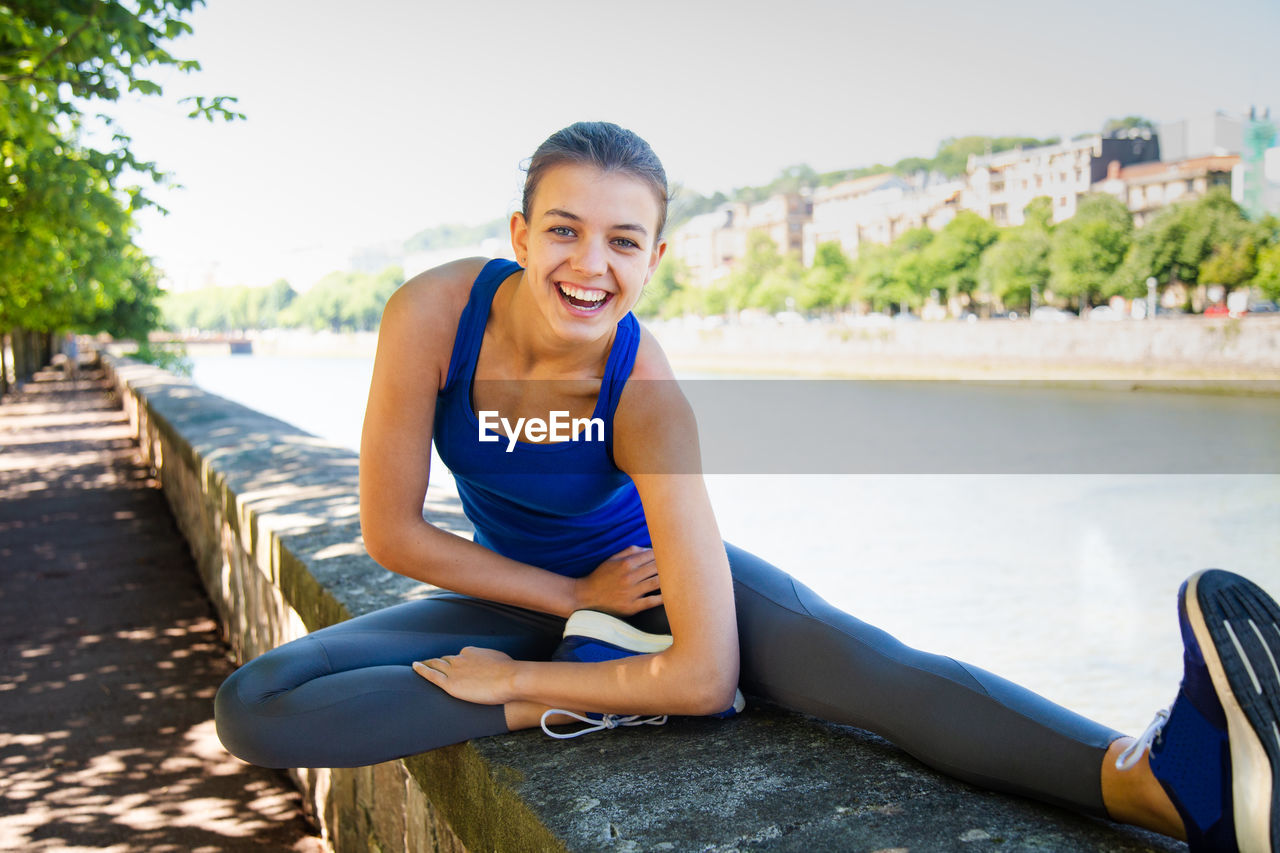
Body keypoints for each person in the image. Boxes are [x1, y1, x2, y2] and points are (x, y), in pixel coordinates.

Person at [215, 121, 1279, 853]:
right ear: (517, 235)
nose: (591, 264)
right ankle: (586, 681)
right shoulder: (431, 316)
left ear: (654, 256)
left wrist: (517, 684)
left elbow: (699, 674)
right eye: (564, 230)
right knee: (256, 706)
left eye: (622, 241)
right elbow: (392, 531)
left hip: (656, 589)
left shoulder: (645, 394)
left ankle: (1164, 781)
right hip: (537, 591)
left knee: (873, 675)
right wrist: (565, 605)